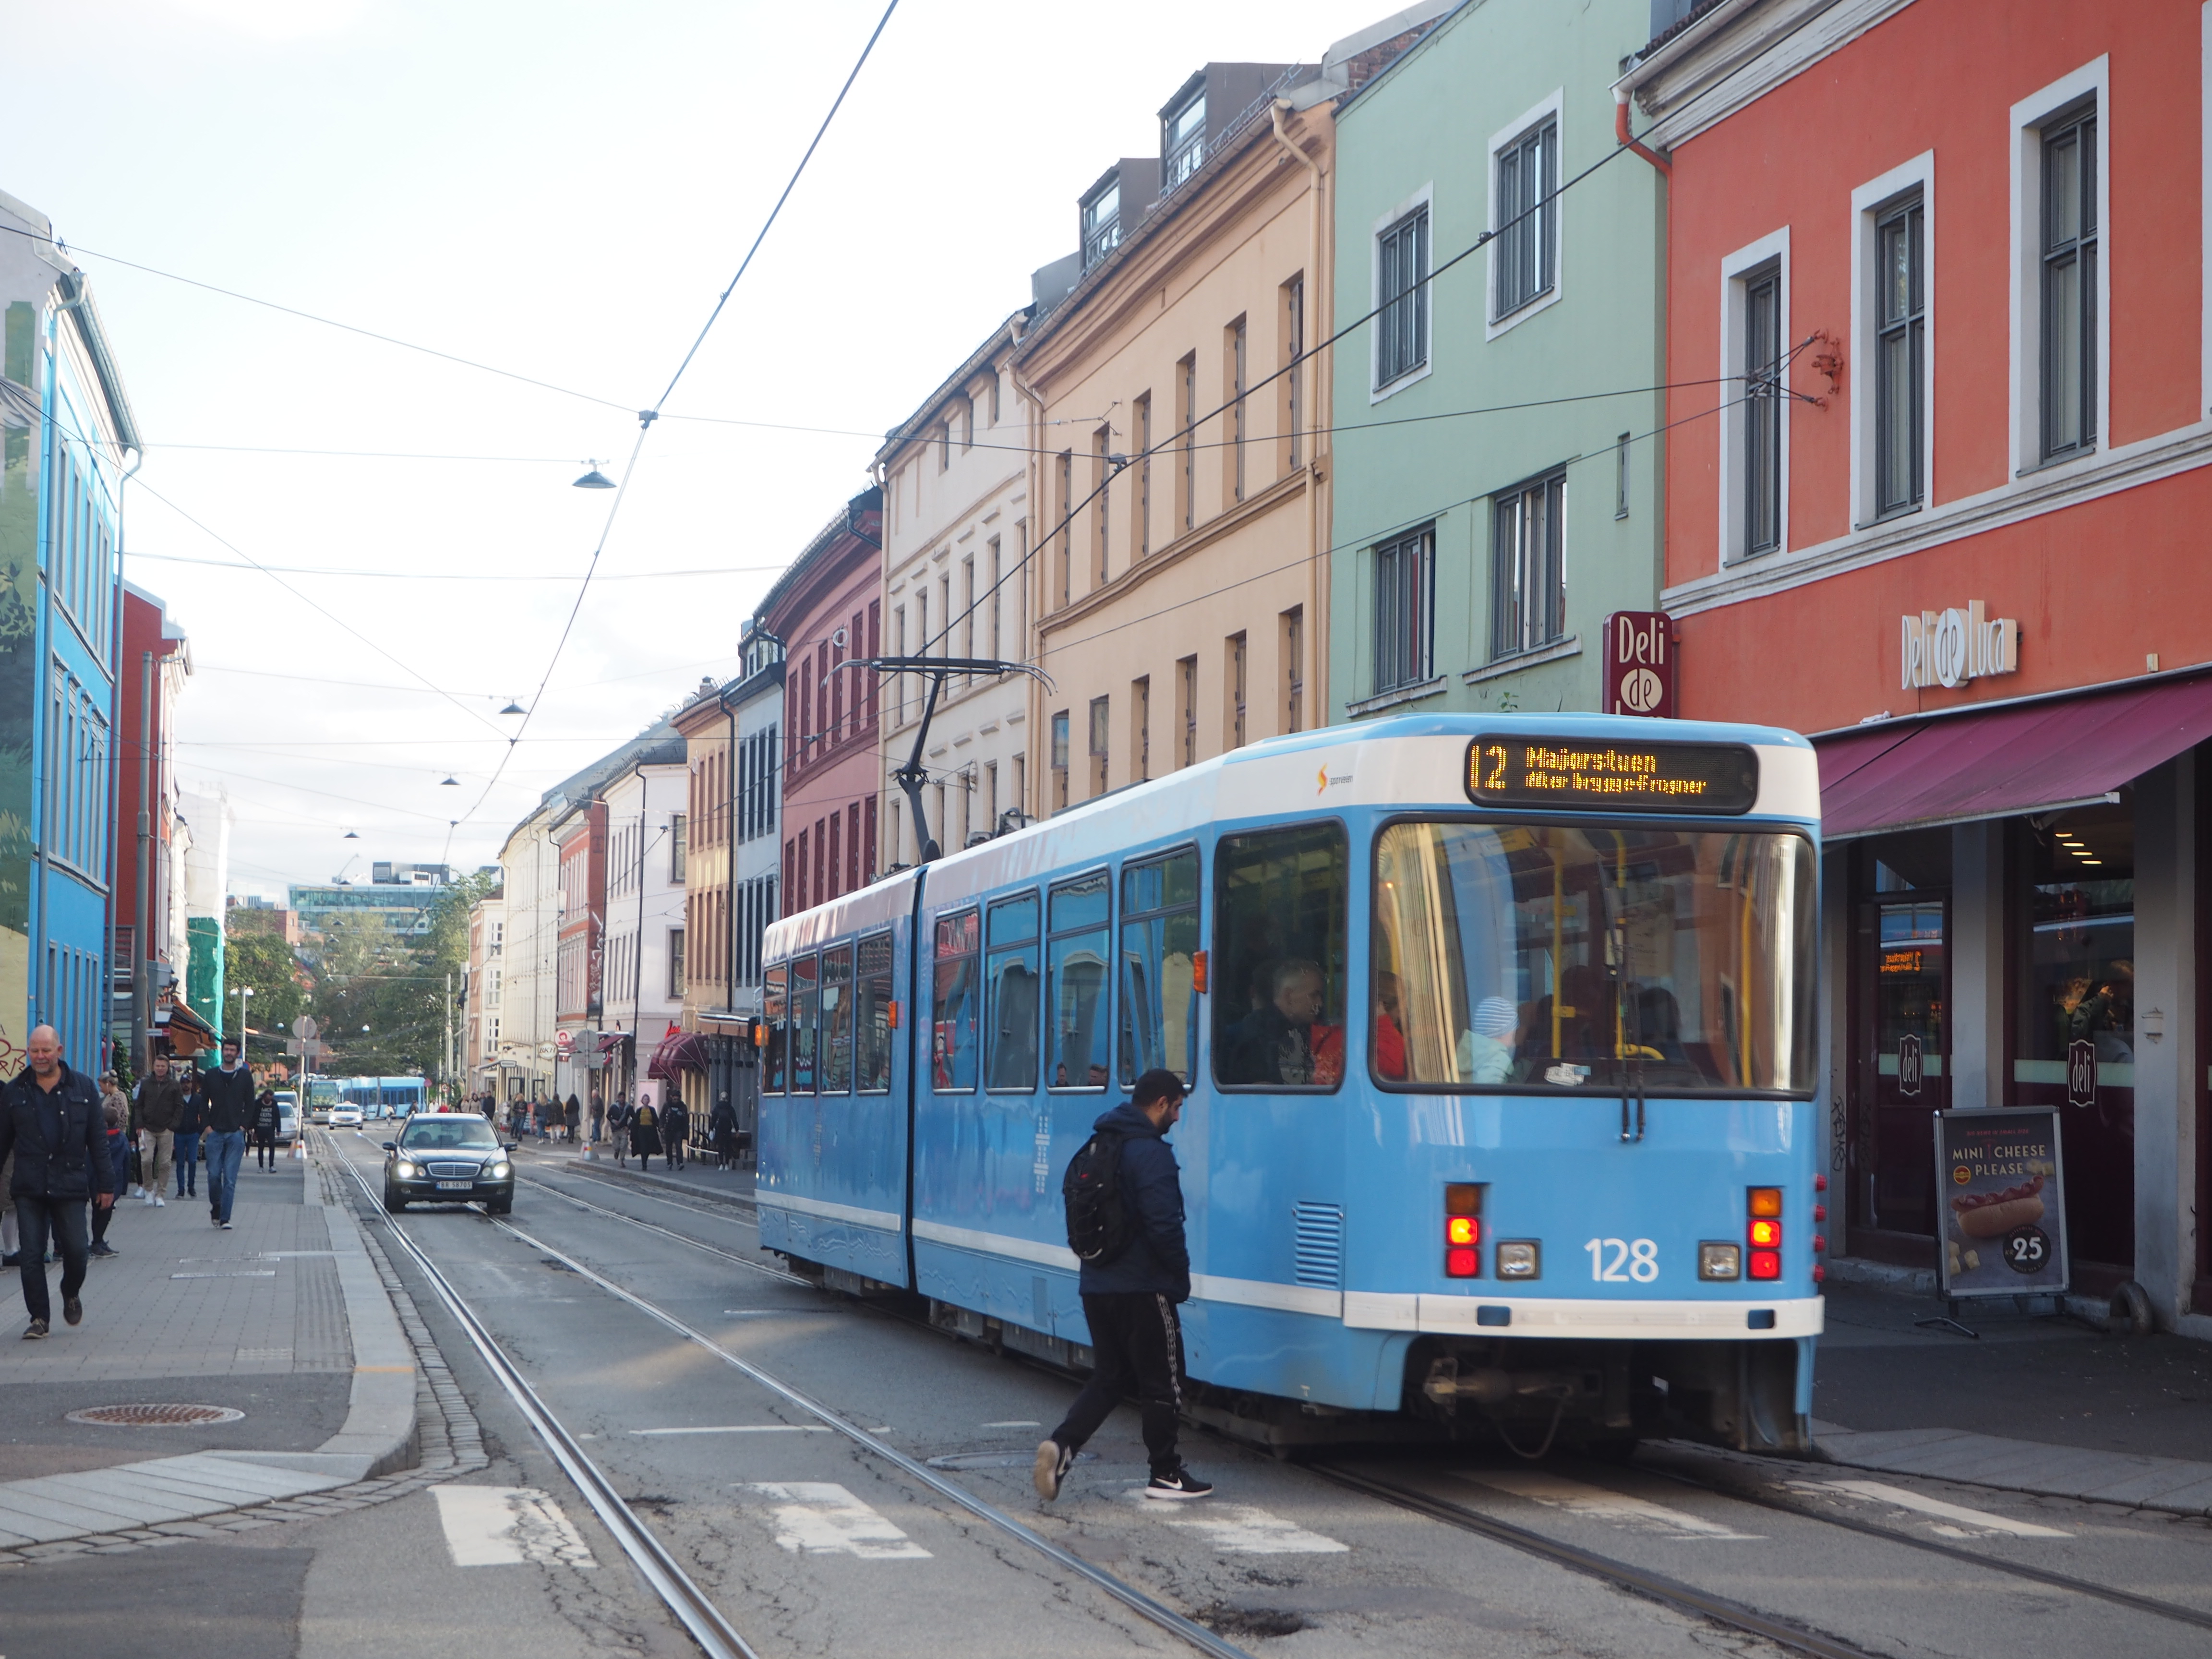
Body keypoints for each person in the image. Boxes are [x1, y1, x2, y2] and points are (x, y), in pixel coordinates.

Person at [1033, 1068, 1211, 1503]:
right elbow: (1165, 1226)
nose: (1178, 1116)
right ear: (1161, 1103)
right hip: (1144, 1287)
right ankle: (1166, 1473)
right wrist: (1179, 1279)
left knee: (1110, 1377)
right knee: (1164, 1380)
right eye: (1177, 1107)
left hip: (1096, 1285)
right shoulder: (1150, 1154)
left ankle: (1062, 1447)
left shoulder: (1099, 1144)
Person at [0, 1025, 116, 1337]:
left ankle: (70, 1291)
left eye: (46, 1050)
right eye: (35, 1051)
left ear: (59, 1051)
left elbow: (98, 1140)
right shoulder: (14, 1092)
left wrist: (107, 1185)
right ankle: (39, 1317)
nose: (40, 1056)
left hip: (70, 1183)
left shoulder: (83, 1088)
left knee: (78, 1251)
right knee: (31, 1256)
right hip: (30, 1187)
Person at [1221, 959, 1343, 1087]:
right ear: (1288, 996)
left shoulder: (1302, 1031)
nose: (1320, 1004)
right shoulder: (1258, 1037)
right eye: (1314, 995)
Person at [201, 1038, 254, 1230]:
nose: (229, 1053)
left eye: (232, 1050)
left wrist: (243, 1127)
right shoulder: (211, 1075)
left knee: (230, 1178)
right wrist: (207, 1127)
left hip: (235, 1134)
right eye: (226, 1049)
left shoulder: (245, 1077)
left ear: (238, 1053)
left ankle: (225, 1218)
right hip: (215, 1132)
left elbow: (250, 1104)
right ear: (222, 1052)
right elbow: (203, 1102)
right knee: (214, 1175)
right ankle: (216, 1207)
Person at [88, 1077, 130, 1258]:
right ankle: (98, 1241)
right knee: (106, 1214)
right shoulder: (122, 1139)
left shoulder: (97, 1140)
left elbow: (89, 1161)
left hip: (96, 1182)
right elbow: (127, 1162)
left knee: (97, 1213)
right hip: (115, 1182)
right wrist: (126, 1186)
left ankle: (98, 1240)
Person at [135, 1054, 183, 1207]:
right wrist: (139, 1125)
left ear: (168, 1068)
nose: (160, 1069)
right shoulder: (146, 1084)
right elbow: (138, 1105)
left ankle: (160, 1194)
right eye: (158, 1066)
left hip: (166, 1129)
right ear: (153, 1067)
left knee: (165, 1163)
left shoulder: (174, 1085)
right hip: (148, 1128)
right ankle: (148, 1189)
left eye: (163, 1066)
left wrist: (173, 1126)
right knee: (146, 1160)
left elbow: (179, 1107)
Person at [1456, 996, 1519, 1085]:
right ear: (1504, 1030)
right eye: (1514, 1030)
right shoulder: (1498, 1061)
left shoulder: (1465, 1051)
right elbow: (1489, 1097)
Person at [173, 1065, 208, 1200]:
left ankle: (191, 1187)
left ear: (191, 1084)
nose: (186, 1085)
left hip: (193, 1133)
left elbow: (204, 1115)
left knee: (193, 1161)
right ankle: (181, 1190)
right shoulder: (177, 1099)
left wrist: (200, 1130)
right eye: (183, 1083)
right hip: (180, 1133)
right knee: (180, 1162)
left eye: (188, 1083)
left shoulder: (198, 1099)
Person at [1372, 972, 1409, 1082]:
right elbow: (1393, 1071)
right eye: (1400, 1009)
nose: (1401, 1016)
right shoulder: (1391, 1041)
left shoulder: (1337, 1034)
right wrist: (1383, 1023)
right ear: (1382, 1007)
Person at [251, 1087, 280, 1171]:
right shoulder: (258, 1103)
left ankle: (271, 1166)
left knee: (272, 1146)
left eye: (271, 1098)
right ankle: (261, 1166)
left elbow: (277, 1116)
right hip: (260, 1128)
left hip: (270, 1129)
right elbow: (254, 1116)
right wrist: (252, 1128)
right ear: (264, 1096)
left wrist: (279, 1129)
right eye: (268, 1098)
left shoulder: (274, 1104)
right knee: (261, 1147)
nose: (269, 1100)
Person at [630, 1094, 662, 1172]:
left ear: (649, 1101)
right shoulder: (639, 1110)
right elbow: (635, 1121)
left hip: (650, 1129)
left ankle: (646, 1159)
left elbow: (655, 1119)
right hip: (642, 1130)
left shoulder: (652, 1110)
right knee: (643, 1147)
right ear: (642, 1101)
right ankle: (644, 1164)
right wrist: (630, 1129)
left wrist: (660, 1128)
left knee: (648, 1147)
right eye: (645, 1099)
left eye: (647, 1099)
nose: (646, 1101)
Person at [709, 1093, 738, 1171]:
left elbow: (714, 1118)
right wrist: (737, 1129)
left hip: (719, 1128)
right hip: (728, 1128)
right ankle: (727, 1164)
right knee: (728, 1146)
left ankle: (721, 1163)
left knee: (720, 1146)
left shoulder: (717, 1107)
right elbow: (734, 1119)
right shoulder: (730, 1107)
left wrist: (711, 1128)